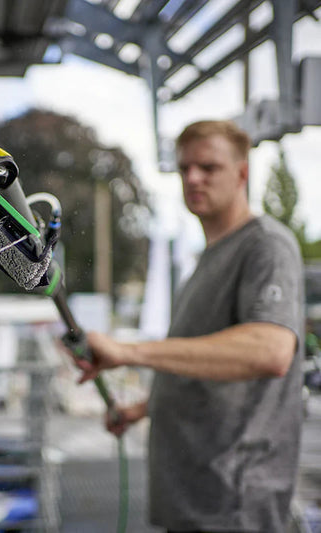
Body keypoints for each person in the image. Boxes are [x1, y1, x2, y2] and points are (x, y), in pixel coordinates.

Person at [75, 120, 305, 533]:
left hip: (234, 505)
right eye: (184, 169)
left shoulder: (266, 245)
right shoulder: (204, 261)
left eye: (208, 167)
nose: (193, 178)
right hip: (192, 498)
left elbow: (270, 350)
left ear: (242, 173)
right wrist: (142, 409)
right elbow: (204, 365)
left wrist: (128, 352)